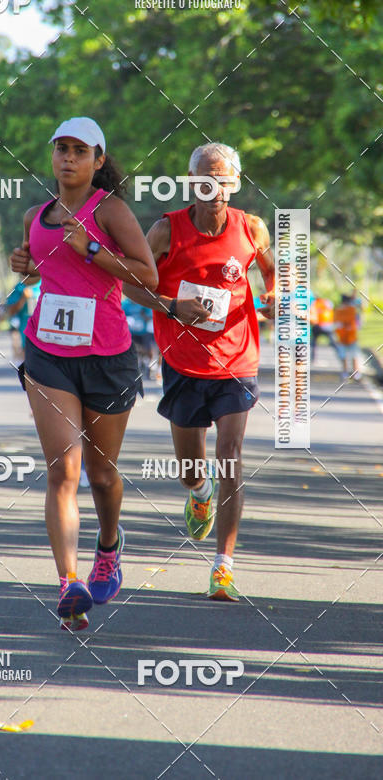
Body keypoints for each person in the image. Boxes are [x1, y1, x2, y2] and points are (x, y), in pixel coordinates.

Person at [10, 116, 157, 631]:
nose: (68, 158)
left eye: (79, 150)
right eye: (61, 149)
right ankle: (69, 581)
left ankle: (109, 546)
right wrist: (25, 265)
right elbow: (45, 271)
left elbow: (147, 274)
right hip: (48, 354)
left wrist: (92, 249)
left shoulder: (110, 210)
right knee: (62, 471)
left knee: (101, 474)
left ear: (98, 160)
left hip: (108, 356)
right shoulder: (35, 215)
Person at [124, 142, 275, 602]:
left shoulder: (251, 228)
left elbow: (273, 271)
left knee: (230, 454)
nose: (215, 189)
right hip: (183, 364)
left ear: (235, 183)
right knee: (191, 468)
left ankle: (223, 565)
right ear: (192, 182)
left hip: (237, 361)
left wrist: (274, 297)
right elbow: (131, 284)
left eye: (223, 180)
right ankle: (199, 491)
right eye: (206, 180)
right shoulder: (165, 231)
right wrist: (172, 305)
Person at [334, 294, 362, 381]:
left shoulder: (340, 310)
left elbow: (336, 323)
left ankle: (347, 372)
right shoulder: (351, 309)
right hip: (348, 336)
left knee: (347, 356)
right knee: (351, 355)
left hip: (345, 336)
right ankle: (354, 373)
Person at [310, 295, 339, 363]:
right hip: (321, 325)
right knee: (314, 343)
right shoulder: (317, 303)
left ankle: (340, 354)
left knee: (333, 342)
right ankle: (312, 358)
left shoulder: (322, 303)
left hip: (325, 325)